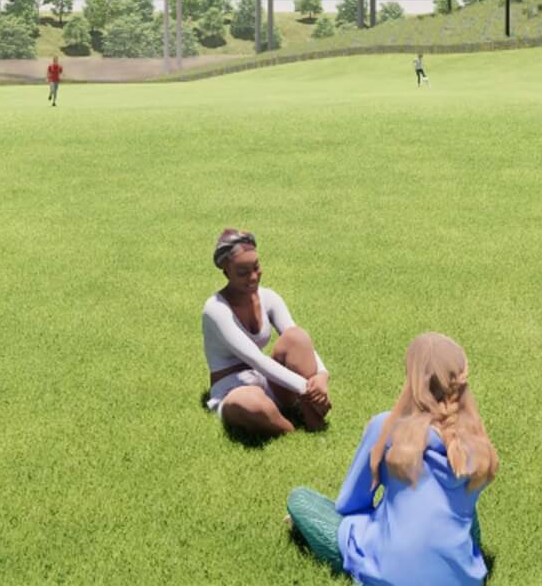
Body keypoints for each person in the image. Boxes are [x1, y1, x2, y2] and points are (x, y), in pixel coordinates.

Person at [286, 332, 496, 586]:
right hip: (465, 580)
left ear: (412, 379)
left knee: (301, 500)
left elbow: (348, 505)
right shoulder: (477, 444)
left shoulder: (386, 426)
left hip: (387, 574)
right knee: (464, 507)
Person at [202, 228, 330, 438]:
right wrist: (306, 388)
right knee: (251, 404)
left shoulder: (269, 298)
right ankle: (290, 430)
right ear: (226, 272)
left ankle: (311, 417)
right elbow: (255, 359)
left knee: (297, 337)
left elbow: (298, 339)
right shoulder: (215, 310)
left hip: (268, 381)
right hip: (234, 391)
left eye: (256, 267)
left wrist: (322, 375)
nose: (253, 277)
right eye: (243, 272)